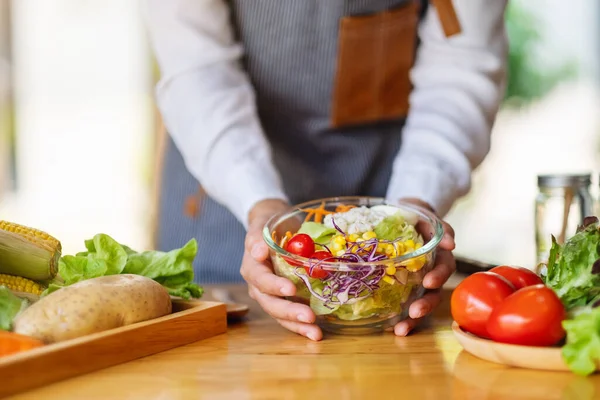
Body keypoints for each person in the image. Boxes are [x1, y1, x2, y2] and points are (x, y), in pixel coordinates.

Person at [143, 0, 509, 341]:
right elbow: (196, 68)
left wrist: (416, 203)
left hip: (390, 179)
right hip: (221, 183)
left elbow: (462, 62)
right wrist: (259, 204)